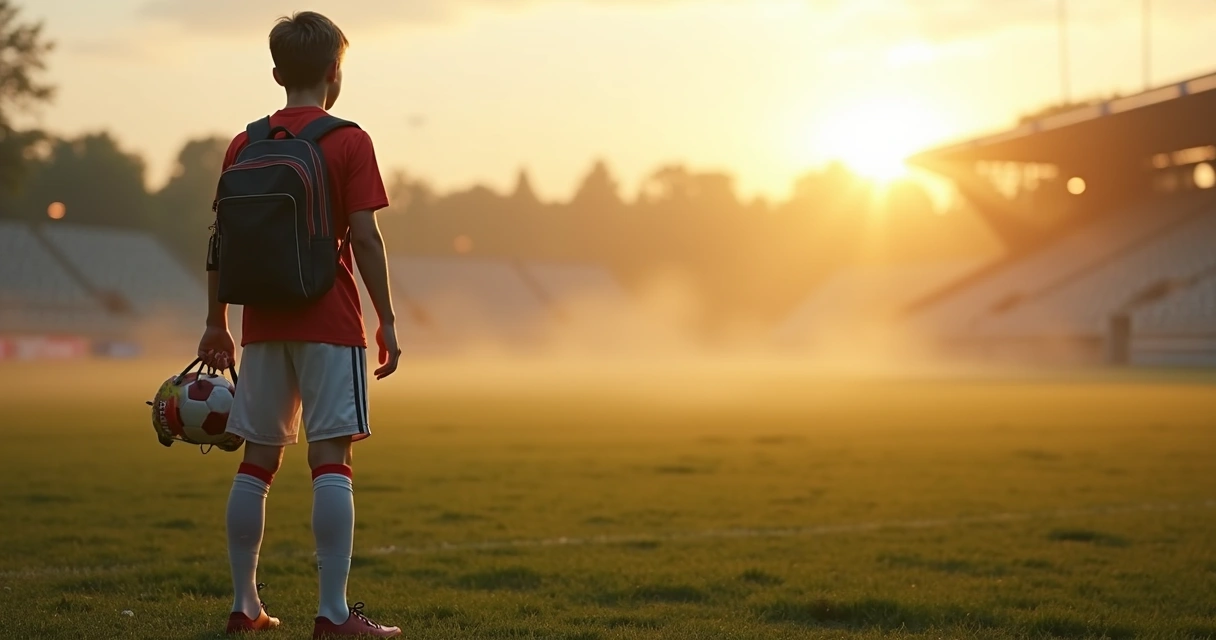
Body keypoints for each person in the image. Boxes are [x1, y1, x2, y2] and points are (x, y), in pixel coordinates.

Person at [197, 11, 403, 638]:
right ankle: (334, 615)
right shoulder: (348, 139)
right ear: (335, 72)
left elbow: (221, 240)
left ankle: (244, 606)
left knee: (256, 463)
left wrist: (216, 322)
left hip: (260, 320)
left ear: (278, 72)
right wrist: (387, 319)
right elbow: (364, 239)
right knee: (330, 461)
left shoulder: (244, 143)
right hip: (328, 316)